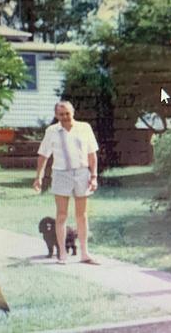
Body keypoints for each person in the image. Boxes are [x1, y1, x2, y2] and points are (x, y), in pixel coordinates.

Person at [33, 101, 100, 265]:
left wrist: (94, 176)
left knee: (82, 216)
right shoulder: (52, 131)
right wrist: (39, 176)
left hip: (82, 173)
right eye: (61, 114)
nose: (65, 117)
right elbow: (43, 155)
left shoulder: (84, 128)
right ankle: (62, 253)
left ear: (73, 112)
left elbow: (92, 154)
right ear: (56, 115)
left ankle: (85, 253)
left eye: (67, 114)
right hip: (61, 173)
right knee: (61, 215)